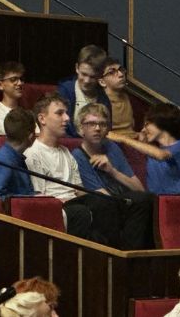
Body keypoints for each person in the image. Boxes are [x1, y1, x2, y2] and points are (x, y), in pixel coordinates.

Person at [25, 92, 121, 246]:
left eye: (66, 113)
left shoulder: (65, 152)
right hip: (57, 206)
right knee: (86, 211)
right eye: (59, 113)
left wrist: (99, 197)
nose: (67, 118)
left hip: (75, 203)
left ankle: (111, 252)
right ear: (42, 119)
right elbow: (39, 197)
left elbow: (78, 190)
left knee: (106, 202)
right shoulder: (32, 153)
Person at [71, 103, 155, 249]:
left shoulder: (112, 147)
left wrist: (112, 171)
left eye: (102, 124)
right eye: (91, 124)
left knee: (146, 198)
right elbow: (102, 196)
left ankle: (135, 254)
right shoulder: (78, 155)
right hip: (103, 204)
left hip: (122, 200)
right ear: (81, 129)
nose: (98, 128)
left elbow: (139, 188)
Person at [108, 103, 180, 195]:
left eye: (147, 124)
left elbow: (162, 155)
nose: (143, 130)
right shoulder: (152, 150)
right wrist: (142, 144)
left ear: (162, 121)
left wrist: (123, 138)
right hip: (158, 200)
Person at [57, 45, 111, 137]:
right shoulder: (65, 91)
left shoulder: (103, 99)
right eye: (84, 74)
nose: (87, 81)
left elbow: (106, 128)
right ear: (77, 68)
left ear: (100, 75)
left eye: (92, 77)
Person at [97, 57, 136, 138]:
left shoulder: (127, 97)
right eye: (111, 72)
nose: (121, 74)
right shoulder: (100, 104)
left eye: (121, 69)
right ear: (102, 82)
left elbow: (131, 130)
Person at [0, 61, 26, 135]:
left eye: (21, 79)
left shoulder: (25, 111)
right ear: (0, 85)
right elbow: (13, 137)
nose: (20, 83)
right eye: (13, 79)